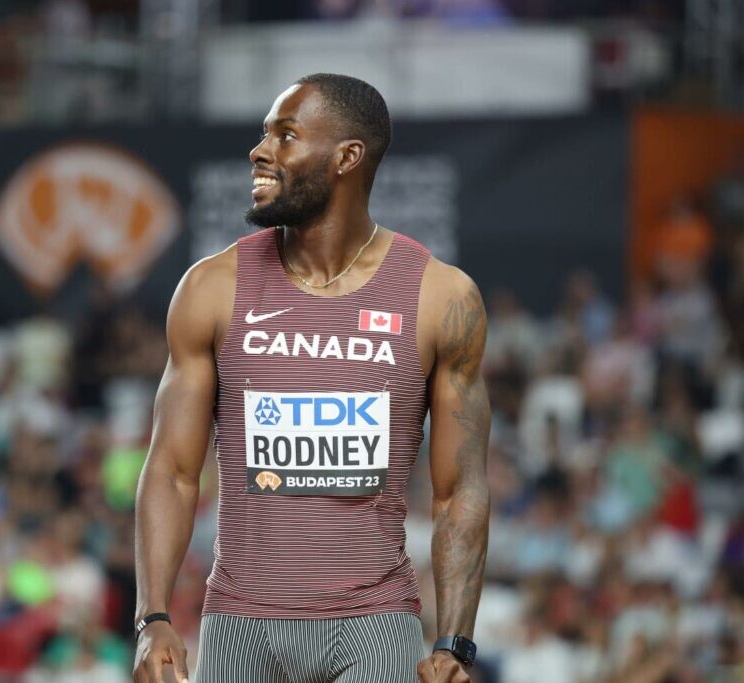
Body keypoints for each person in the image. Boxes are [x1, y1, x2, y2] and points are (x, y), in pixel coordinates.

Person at [133, 73, 491, 683]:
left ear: (346, 157)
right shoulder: (212, 288)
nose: (259, 150)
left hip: (375, 629)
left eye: (286, 135)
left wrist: (454, 642)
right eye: (263, 133)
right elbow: (171, 469)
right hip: (241, 628)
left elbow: (460, 489)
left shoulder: (439, 297)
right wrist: (152, 617)